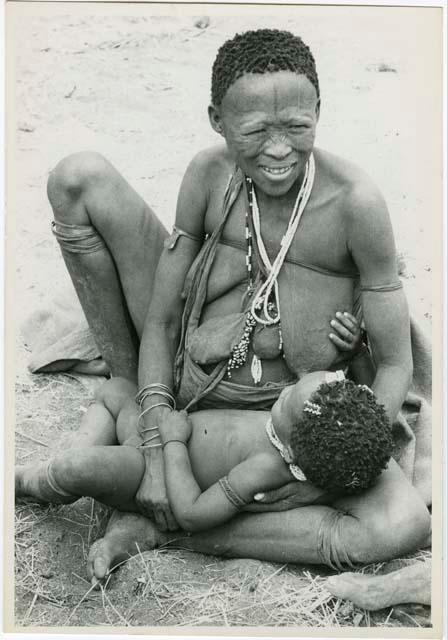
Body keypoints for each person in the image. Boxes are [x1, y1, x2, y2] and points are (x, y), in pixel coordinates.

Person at [45, 29, 429, 580]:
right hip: (189, 384)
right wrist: (155, 444)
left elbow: (395, 364)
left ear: (319, 111)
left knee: (401, 525)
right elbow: (162, 319)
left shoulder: (356, 204)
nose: (279, 150)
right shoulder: (207, 175)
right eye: (254, 131)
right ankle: (134, 400)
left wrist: (323, 469)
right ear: (216, 121)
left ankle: (172, 529)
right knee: (77, 177)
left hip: (282, 424)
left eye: (298, 127)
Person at [16, 368, 393, 543]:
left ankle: (28, 480)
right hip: (154, 442)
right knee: (116, 389)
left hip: (155, 472)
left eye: (287, 398)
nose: (285, 389)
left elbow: (193, 513)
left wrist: (176, 443)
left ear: (296, 449)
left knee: (75, 469)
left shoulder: (265, 469)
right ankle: (82, 443)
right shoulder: (301, 433)